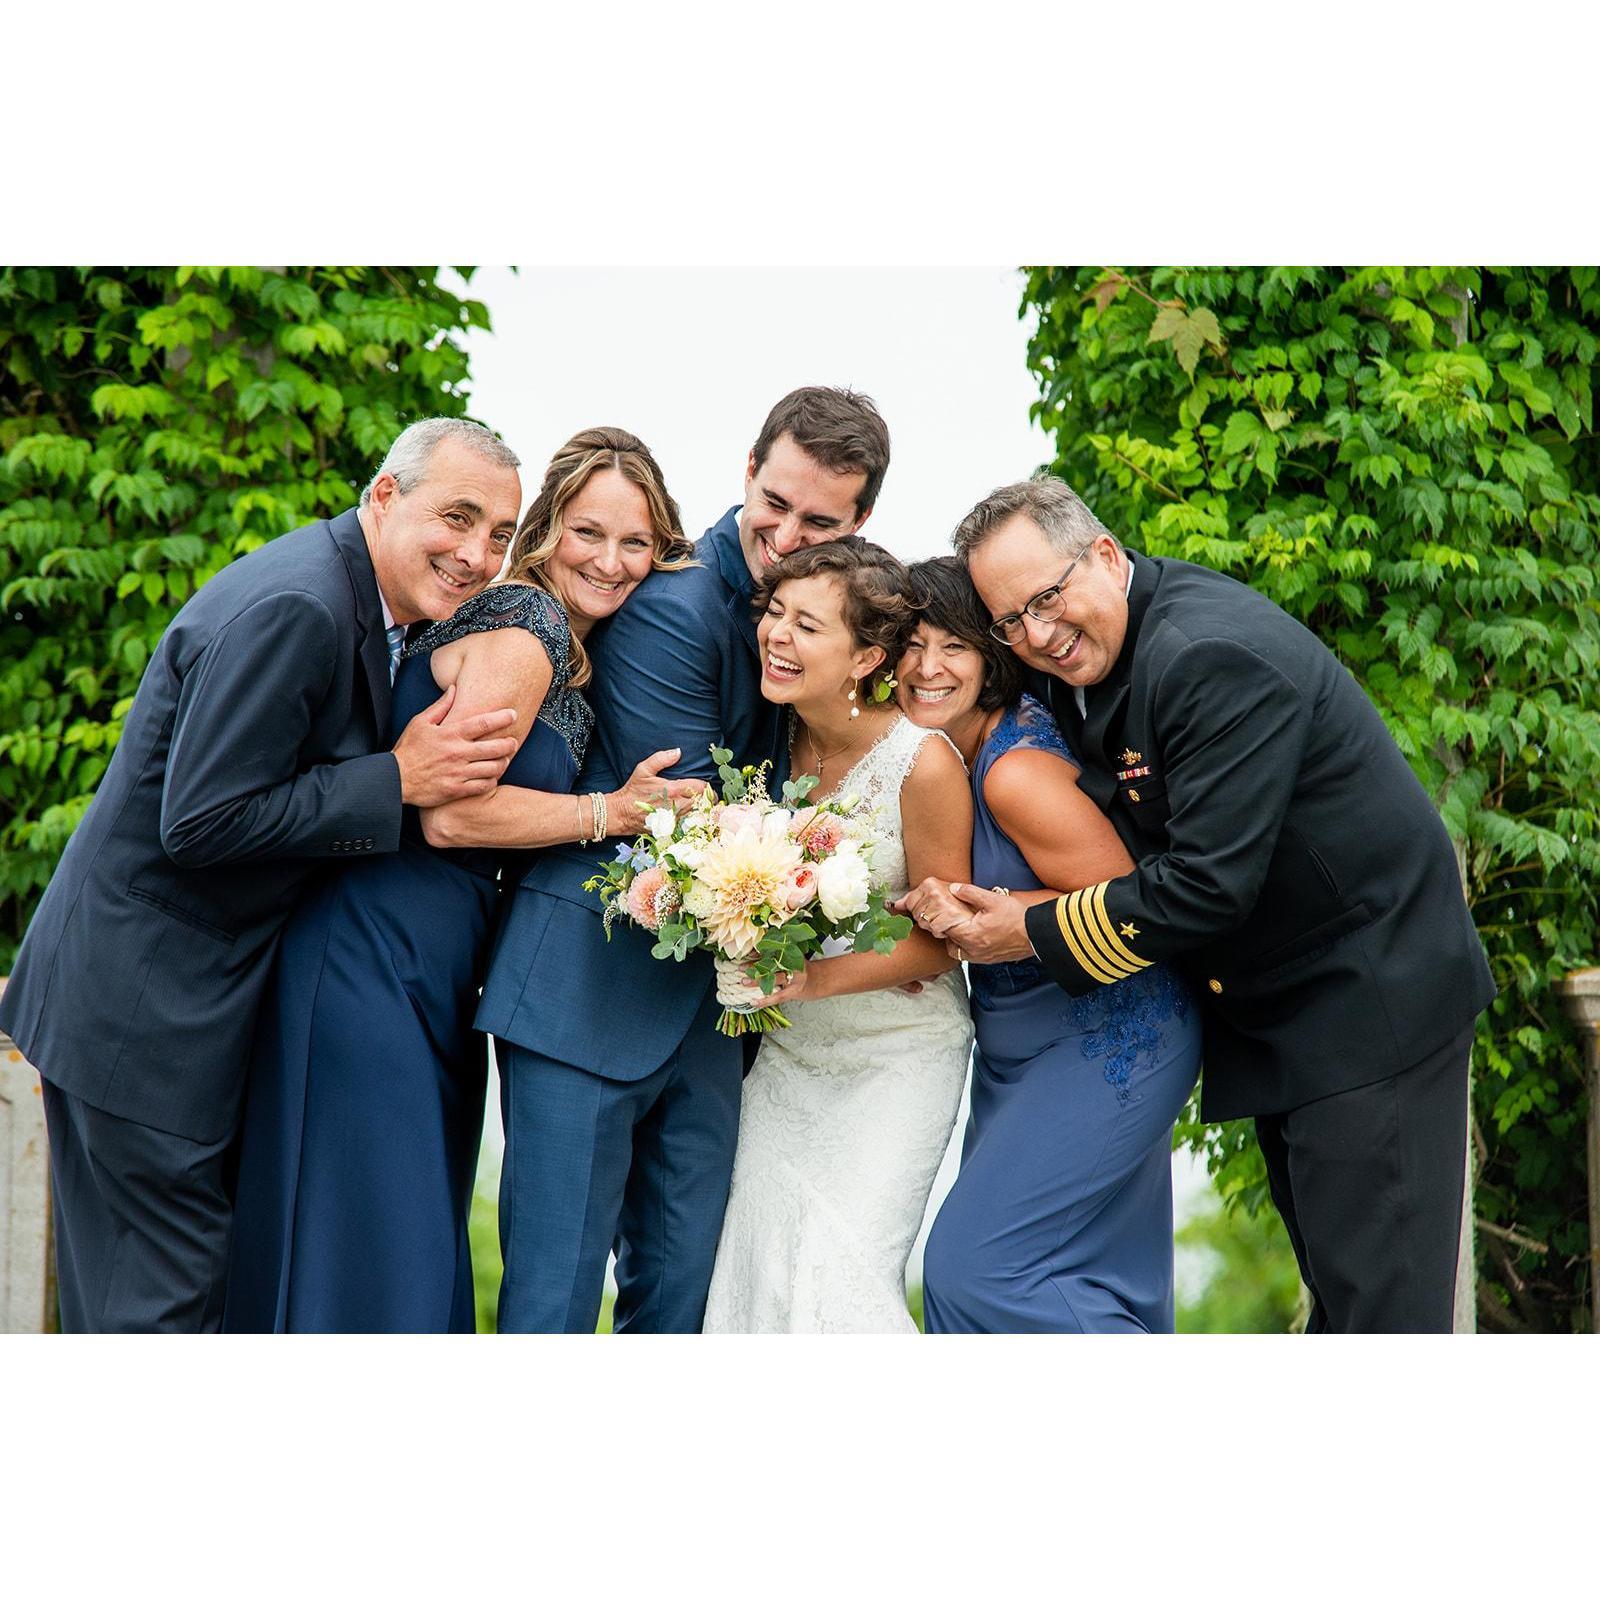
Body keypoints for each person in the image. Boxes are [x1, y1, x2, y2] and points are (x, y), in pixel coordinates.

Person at [900, 479, 1496, 1334]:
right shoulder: (1094, 654)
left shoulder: (1209, 652)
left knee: (1384, 1318)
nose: (1036, 634)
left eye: (1046, 598)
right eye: (1009, 620)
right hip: (1283, 1013)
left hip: (1369, 1006)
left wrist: (1022, 929)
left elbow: (1209, 884)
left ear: (1105, 555)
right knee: (1344, 1299)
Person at [0, 417, 526, 1332]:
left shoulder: (360, 598)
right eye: (459, 516)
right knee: (158, 1317)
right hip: (142, 1024)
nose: (476, 553)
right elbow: (201, 820)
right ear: (385, 495)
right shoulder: (304, 606)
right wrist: (395, 780)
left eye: (499, 535)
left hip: (173, 1017)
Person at [222, 426, 700, 1333]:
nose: (610, 560)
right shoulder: (529, 625)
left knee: (386, 1242)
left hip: (431, 962)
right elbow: (451, 812)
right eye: (587, 532)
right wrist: (613, 814)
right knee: (378, 1249)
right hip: (378, 954)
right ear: (548, 528)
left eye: (636, 542)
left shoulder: (556, 642)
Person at [476, 386, 892, 1333]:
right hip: (587, 988)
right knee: (554, 1301)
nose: (784, 535)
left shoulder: (809, 621)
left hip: (712, 1017)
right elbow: (699, 809)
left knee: (682, 1308)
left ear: (858, 521)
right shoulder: (673, 602)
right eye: (774, 503)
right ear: (747, 472)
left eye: (819, 521)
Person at [895, 558, 1199, 1333]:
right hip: (1021, 1046)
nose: (928, 668)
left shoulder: (1015, 772)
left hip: (1107, 1040)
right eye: (910, 644)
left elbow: (1135, 906)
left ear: (992, 656)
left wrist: (988, 911)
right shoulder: (952, 756)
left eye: (954, 646)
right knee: (1089, 1278)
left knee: (971, 1269)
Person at [701, 541, 974, 1334]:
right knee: (757, 1272)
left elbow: (939, 945)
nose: (778, 635)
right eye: (775, 614)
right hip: (789, 1064)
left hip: (896, 1059)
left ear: (866, 656)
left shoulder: (922, 766)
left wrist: (810, 981)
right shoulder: (765, 747)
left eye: (807, 626)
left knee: (837, 1273)